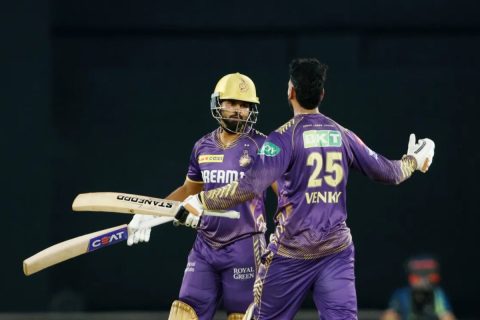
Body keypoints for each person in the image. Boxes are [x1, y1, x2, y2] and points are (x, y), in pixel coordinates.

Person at [176, 58, 436, 320]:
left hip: (290, 253)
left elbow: (249, 186)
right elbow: (390, 173)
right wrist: (414, 160)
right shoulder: (342, 134)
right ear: (322, 94)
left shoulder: (281, 139)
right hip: (335, 252)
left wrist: (202, 200)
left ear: (290, 91)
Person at [127, 72, 276, 320]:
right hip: (205, 247)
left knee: (244, 316)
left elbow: (286, 190)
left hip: (244, 245)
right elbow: (188, 192)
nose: (238, 110)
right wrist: (153, 212)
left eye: (244, 105)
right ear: (218, 103)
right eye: (232, 103)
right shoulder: (202, 146)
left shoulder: (265, 145)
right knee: (184, 313)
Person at [381, 255, 456, 320]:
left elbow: (446, 314)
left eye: (430, 277)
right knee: (390, 314)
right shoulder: (402, 294)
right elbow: (391, 313)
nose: (423, 280)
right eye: (417, 277)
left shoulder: (438, 294)